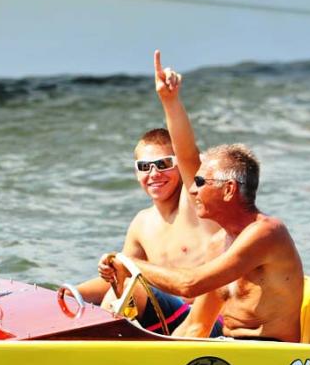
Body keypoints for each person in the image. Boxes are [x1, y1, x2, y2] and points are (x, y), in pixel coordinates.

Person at [100, 51, 304, 342]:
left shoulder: (267, 232)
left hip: (271, 356)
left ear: (229, 189)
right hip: (227, 351)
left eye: (200, 182)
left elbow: (189, 285)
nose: (192, 189)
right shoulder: (218, 244)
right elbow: (196, 327)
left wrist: (128, 264)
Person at [76, 126, 222, 332]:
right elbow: (121, 277)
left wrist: (170, 106)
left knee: (131, 288)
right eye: (144, 166)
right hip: (167, 319)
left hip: (206, 322)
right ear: (137, 173)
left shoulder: (196, 205)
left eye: (164, 164)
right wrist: (71, 293)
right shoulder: (141, 222)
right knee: (121, 287)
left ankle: (99, 344)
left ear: (180, 166)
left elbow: (188, 152)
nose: (154, 173)